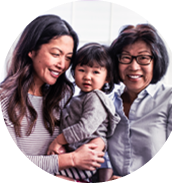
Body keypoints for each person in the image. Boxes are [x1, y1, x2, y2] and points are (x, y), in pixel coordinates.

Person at [0, 14, 105, 180]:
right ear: (32, 50)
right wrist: (71, 159)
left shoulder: (64, 95)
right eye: (56, 54)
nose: (62, 65)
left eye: (68, 58)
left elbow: (85, 131)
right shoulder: (4, 101)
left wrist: (99, 143)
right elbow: (11, 166)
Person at [106, 24, 172, 181]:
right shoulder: (107, 103)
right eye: (126, 57)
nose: (134, 66)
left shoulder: (171, 100)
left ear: (156, 61)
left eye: (144, 58)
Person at [47, 42, 120, 181]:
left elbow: (85, 128)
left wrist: (58, 141)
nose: (87, 76)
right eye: (82, 70)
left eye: (96, 72)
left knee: (52, 175)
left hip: (89, 157)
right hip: (77, 153)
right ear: (74, 71)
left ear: (108, 78)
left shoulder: (96, 98)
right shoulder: (78, 98)